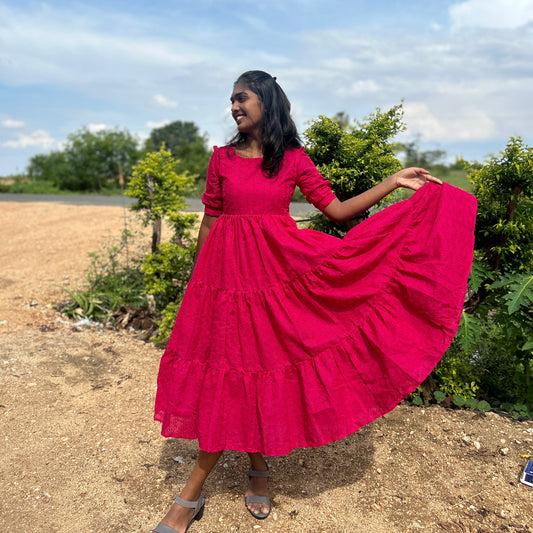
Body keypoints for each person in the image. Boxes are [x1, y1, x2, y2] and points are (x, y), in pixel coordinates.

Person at [152, 70, 476, 533]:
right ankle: (255, 470)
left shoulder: (293, 160)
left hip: (276, 281)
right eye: (230, 100)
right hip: (223, 285)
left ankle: (191, 497)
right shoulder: (220, 158)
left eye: (241, 98)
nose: (233, 107)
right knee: (234, 373)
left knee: (257, 368)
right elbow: (211, 220)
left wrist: (392, 181)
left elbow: (339, 211)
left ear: (266, 101)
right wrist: (197, 281)